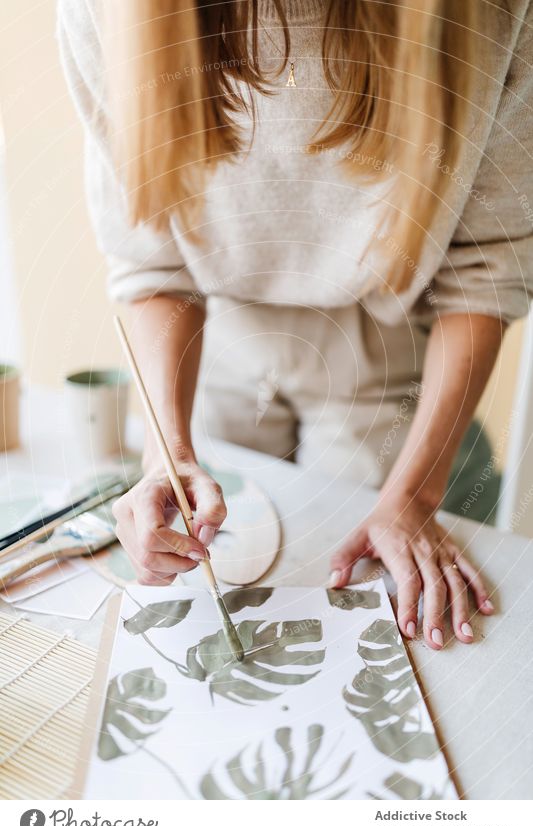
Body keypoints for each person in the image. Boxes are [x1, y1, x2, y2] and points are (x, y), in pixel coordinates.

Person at [58, 0, 533, 649]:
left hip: (382, 338)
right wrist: (164, 452)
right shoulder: (105, 11)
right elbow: (152, 264)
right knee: (210, 564)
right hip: (210, 343)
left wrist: (415, 497)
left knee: (369, 603)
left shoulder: (486, 13)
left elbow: (486, 265)